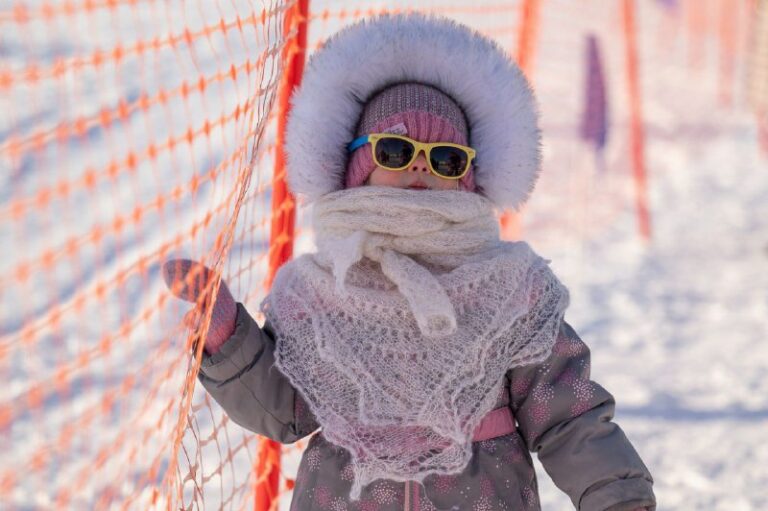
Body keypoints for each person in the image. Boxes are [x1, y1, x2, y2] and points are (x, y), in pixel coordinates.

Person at [163, 14, 656, 511]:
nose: (421, 164)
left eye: (445, 158)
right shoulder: (321, 289)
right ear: (356, 166)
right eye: (396, 150)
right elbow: (283, 410)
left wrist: (616, 497)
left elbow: (568, 416)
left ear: (468, 176)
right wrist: (228, 337)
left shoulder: (511, 291)